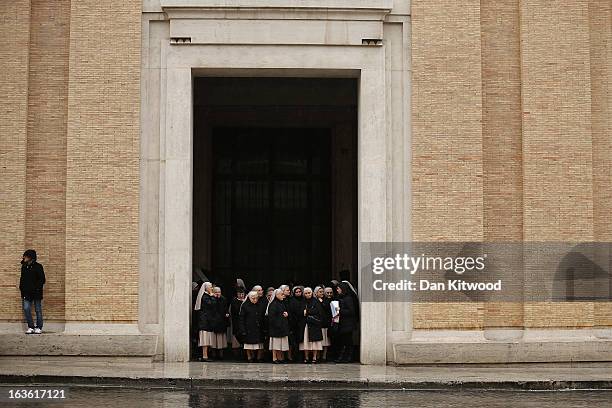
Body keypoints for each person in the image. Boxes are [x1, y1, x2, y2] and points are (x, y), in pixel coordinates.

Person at [19, 250, 45, 334]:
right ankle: (31, 327)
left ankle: (39, 327)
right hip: (26, 293)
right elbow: (22, 279)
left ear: (30, 257)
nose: (23, 257)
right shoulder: (24, 266)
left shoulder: (38, 266)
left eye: (25, 256)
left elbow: (42, 279)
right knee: (26, 308)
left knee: (38, 310)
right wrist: (21, 289)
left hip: (36, 292)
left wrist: (36, 288)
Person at [297, 287, 324, 363]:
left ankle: (314, 357)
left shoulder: (316, 301)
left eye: (309, 293)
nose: (308, 294)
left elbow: (318, 311)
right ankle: (306, 357)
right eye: (306, 293)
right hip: (305, 324)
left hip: (314, 324)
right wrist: (305, 312)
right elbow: (299, 312)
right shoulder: (302, 302)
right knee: (305, 342)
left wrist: (307, 311)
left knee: (314, 342)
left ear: (312, 293)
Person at [194, 282, 218, 362]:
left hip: (208, 321)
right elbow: (213, 304)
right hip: (205, 321)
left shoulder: (207, 296)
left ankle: (206, 355)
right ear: (206, 288)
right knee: (205, 340)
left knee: (208, 339)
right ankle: (205, 356)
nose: (211, 288)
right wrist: (212, 296)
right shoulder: (205, 296)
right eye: (210, 287)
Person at [239, 290, 265, 362]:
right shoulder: (245, 306)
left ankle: (259, 357)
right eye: (253, 298)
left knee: (260, 344)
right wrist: (242, 329)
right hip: (248, 328)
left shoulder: (260, 305)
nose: (255, 300)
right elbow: (241, 319)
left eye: (256, 298)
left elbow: (263, 316)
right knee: (248, 344)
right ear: (249, 298)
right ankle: (249, 357)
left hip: (259, 327)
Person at [334, 281, 357, 363]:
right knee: (344, 341)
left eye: (338, 289)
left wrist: (340, 311)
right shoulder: (342, 298)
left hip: (348, 324)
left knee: (347, 341)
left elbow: (351, 311)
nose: (337, 290)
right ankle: (344, 357)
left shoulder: (348, 298)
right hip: (343, 324)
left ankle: (348, 358)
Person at [266, 288, 290, 364]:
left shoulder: (281, 303)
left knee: (280, 345)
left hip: (282, 327)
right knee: (275, 345)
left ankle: (280, 358)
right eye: (281, 294)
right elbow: (271, 317)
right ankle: (274, 358)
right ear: (276, 295)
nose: (283, 296)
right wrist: (278, 324)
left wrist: (286, 315)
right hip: (276, 328)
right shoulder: (273, 304)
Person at [288, 285, 305, 362]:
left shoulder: (304, 300)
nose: (298, 293)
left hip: (302, 323)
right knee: (294, 342)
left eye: (299, 292)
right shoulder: (291, 300)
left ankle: (302, 357)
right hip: (294, 323)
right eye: (296, 292)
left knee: (302, 341)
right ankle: (293, 357)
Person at [315, 286, 332, 362]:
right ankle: (318, 356)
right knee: (319, 341)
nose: (322, 293)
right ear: (316, 293)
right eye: (320, 292)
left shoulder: (326, 300)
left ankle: (324, 356)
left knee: (326, 341)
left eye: (322, 292)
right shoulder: (314, 301)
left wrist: (322, 302)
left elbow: (328, 309)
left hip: (325, 323)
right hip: (318, 323)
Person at [212, 286, 229, 359]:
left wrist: (227, 313)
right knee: (213, 340)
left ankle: (221, 354)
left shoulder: (224, 299)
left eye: (219, 292)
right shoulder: (211, 299)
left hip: (221, 322)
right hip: (213, 322)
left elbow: (226, 308)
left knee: (221, 339)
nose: (218, 294)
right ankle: (213, 354)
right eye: (216, 292)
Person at [229, 288, 245, 358]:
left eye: (242, 294)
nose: (241, 295)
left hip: (244, 322)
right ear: (237, 294)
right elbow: (236, 310)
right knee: (235, 337)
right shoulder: (234, 301)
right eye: (239, 294)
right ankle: (236, 355)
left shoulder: (246, 300)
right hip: (236, 322)